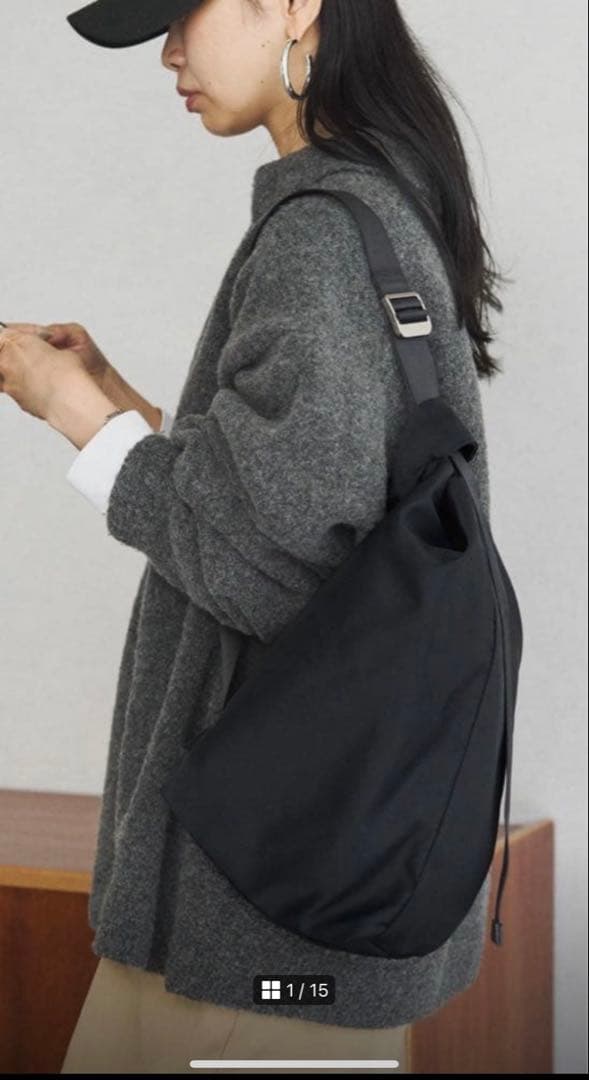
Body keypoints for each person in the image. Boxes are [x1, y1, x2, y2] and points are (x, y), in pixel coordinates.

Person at [0, 0, 510, 1073]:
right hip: (312, 902)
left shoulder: (321, 235)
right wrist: (123, 400)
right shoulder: (385, 200)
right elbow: (304, 503)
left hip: (254, 928)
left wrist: (75, 416)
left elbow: (267, 569)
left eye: (181, 14)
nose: (168, 53)